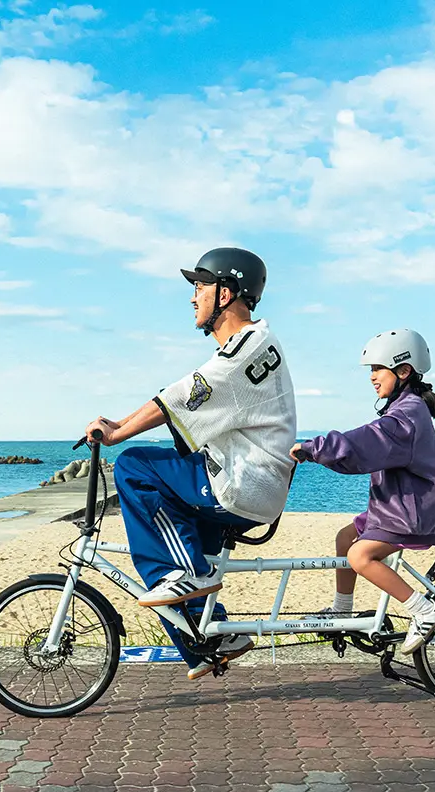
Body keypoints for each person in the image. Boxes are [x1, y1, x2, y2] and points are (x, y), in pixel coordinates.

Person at [84, 247, 298, 679]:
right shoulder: (252, 344)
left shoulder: (246, 349)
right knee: (165, 571)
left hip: (242, 484)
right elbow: (180, 396)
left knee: (133, 467)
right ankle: (210, 639)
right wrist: (117, 421)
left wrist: (119, 433)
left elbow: (182, 395)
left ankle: (189, 579)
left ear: (226, 292)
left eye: (199, 286)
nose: (192, 296)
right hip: (249, 481)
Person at [290, 328, 435, 655]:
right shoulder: (404, 408)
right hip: (399, 504)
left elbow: (366, 441)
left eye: (378, 369)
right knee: (344, 538)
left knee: (359, 555)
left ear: (403, 371)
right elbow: (369, 447)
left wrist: (314, 448)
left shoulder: (406, 414)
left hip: (415, 509)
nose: (372, 377)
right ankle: (342, 608)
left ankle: (424, 610)